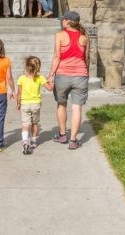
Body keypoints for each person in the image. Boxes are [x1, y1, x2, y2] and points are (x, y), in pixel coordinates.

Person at [47, 11, 90, 150]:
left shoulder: (59, 35)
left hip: (63, 75)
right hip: (80, 75)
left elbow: (56, 57)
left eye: (63, 20)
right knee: (77, 107)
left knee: (61, 104)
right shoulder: (84, 37)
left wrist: (51, 75)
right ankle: (73, 140)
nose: (61, 22)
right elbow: (86, 58)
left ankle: (62, 135)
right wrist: (85, 72)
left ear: (67, 21)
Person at [16, 55, 51, 155]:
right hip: (36, 104)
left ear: (27, 66)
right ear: (38, 67)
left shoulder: (22, 78)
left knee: (25, 125)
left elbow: (19, 93)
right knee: (35, 123)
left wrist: (18, 103)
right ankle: (34, 141)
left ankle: (25, 141)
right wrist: (51, 82)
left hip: (25, 104)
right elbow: (49, 88)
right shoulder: (40, 78)